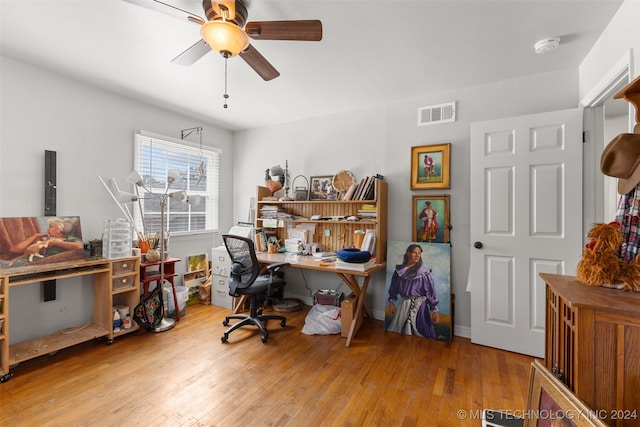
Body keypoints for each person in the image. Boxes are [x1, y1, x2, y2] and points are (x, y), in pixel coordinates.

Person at [387, 244, 439, 338]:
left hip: (420, 307)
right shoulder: (399, 271)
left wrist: (434, 310)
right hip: (404, 306)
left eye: (419, 253)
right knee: (399, 332)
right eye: (415, 252)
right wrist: (391, 302)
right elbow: (393, 288)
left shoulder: (424, 273)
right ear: (408, 254)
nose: (417, 255)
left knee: (421, 331)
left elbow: (431, 293)